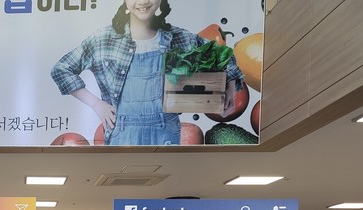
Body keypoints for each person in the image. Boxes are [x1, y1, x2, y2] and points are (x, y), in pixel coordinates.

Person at [51, 0, 243, 146]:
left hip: (166, 133)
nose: (143, 1)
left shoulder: (179, 38)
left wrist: (230, 88)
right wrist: (96, 104)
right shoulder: (102, 40)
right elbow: (62, 69)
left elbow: (227, 58)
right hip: (120, 134)